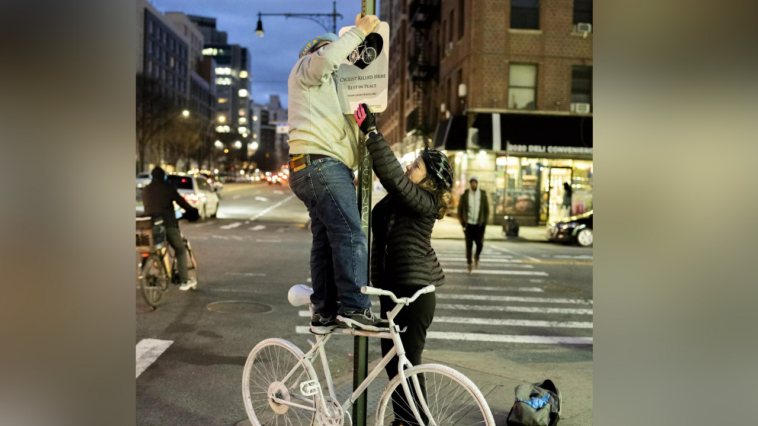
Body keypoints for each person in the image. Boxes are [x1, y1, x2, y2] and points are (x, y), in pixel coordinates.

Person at [287, 14, 388, 333]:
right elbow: (326, 60)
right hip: (320, 165)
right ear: (319, 49)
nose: (342, 61)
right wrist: (360, 32)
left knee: (326, 240)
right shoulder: (308, 67)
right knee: (350, 233)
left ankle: (325, 311)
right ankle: (356, 308)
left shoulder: (320, 94)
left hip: (313, 166)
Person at [354, 103, 453, 426]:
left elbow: (394, 178)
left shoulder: (425, 201)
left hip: (414, 294)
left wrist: (371, 132)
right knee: (393, 364)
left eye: (418, 165)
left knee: (408, 363)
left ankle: (418, 422)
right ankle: (403, 420)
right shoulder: (403, 197)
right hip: (392, 292)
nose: (410, 165)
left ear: (431, 180)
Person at [141, 167, 199, 291]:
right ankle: (184, 281)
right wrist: (193, 212)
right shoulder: (168, 188)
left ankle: (148, 276)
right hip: (168, 225)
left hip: (150, 226)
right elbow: (182, 203)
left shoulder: (145, 190)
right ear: (164, 177)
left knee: (151, 249)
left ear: (152, 177)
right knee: (180, 250)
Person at [457, 177, 490, 273]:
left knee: (480, 244)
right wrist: (462, 222)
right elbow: (460, 210)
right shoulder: (465, 195)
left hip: (479, 225)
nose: (473, 185)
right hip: (468, 225)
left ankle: (477, 256)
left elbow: (486, 210)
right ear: (470, 184)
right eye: (472, 183)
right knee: (469, 245)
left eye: (475, 183)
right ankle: (469, 264)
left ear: (477, 184)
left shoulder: (482, 195)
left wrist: (484, 222)